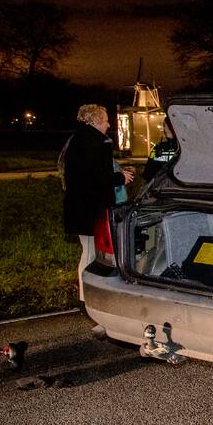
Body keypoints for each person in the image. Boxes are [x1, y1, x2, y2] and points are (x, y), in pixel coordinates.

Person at [63, 104, 133, 301]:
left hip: (78, 205)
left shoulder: (76, 139)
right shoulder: (99, 141)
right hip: (91, 208)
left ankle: (86, 295)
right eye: (105, 119)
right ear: (95, 120)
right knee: (91, 254)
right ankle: (86, 297)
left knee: (88, 251)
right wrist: (119, 178)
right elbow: (96, 176)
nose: (108, 123)